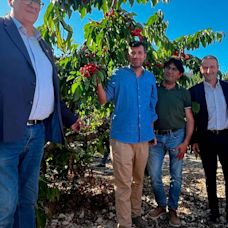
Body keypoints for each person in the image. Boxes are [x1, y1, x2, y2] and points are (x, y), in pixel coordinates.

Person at [0, 0, 80, 227]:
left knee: (27, 201)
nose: (34, 4)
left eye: (39, 1)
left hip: (37, 134)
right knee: (4, 207)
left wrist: (69, 118)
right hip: (2, 133)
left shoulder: (42, 43)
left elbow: (46, 87)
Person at [95, 41, 157, 228]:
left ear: (145, 55)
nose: (136, 56)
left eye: (139, 52)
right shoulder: (118, 75)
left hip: (143, 137)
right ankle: (125, 223)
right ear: (128, 55)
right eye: (133, 52)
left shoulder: (150, 78)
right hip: (122, 137)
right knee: (123, 183)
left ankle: (136, 214)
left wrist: (151, 132)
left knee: (138, 180)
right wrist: (96, 80)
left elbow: (151, 107)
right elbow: (104, 99)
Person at [189, 55, 228, 227]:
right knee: (210, 177)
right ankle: (214, 212)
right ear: (201, 69)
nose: (209, 70)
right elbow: (192, 119)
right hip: (206, 138)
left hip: (227, 137)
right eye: (205, 67)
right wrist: (194, 140)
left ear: (218, 68)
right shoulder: (194, 91)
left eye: (212, 67)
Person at [147, 58, 194, 227]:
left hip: (177, 137)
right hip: (156, 138)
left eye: (174, 69)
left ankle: (173, 209)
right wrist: (150, 133)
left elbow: (189, 118)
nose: (170, 71)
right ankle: (161, 205)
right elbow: (149, 112)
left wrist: (186, 142)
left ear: (179, 74)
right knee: (154, 175)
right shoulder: (155, 90)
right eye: (168, 68)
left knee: (176, 176)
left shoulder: (183, 93)